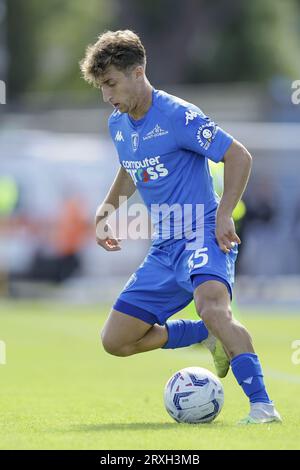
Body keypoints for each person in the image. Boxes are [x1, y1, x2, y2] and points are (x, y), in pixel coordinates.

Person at [80, 30, 281, 424]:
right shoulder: (119, 124)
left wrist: (224, 214)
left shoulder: (178, 115)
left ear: (138, 72)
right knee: (116, 341)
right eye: (100, 87)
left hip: (203, 233)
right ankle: (203, 335)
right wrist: (107, 208)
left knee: (213, 308)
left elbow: (238, 156)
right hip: (164, 246)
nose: (106, 96)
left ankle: (263, 406)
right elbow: (131, 168)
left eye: (110, 84)